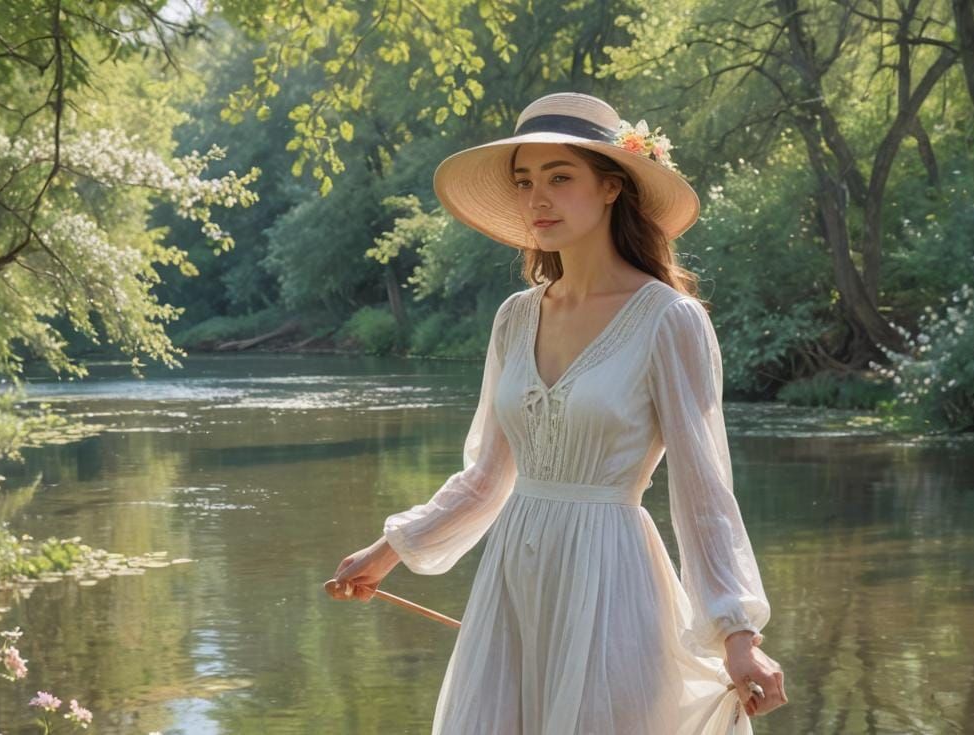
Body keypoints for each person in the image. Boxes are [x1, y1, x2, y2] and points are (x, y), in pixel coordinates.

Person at [330, 92, 788, 734]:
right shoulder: (515, 317)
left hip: (610, 579)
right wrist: (389, 550)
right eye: (525, 182)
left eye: (559, 178)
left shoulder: (668, 319)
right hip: (515, 580)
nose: (537, 199)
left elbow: (703, 492)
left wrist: (738, 633)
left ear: (610, 187)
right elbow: (488, 479)